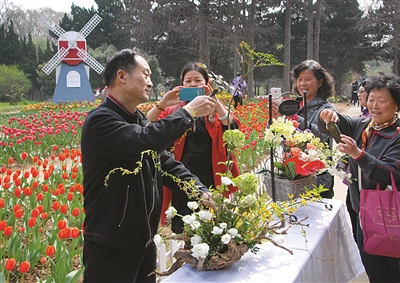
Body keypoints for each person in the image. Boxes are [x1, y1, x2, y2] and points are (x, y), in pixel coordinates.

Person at [81, 49, 216, 283]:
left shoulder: (136, 118)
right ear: (122, 76)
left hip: (142, 239)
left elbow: (165, 162)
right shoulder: (101, 120)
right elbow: (146, 139)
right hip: (110, 242)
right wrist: (188, 111)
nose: (151, 82)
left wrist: (199, 189)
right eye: (145, 74)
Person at [317, 74, 400, 283]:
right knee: (374, 270)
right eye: (371, 99)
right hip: (363, 214)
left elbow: (389, 172)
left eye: (382, 101)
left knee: (391, 273)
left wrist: (358, 155)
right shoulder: (364, 126)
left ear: (396, 104)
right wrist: (327, 116)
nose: (374, 106)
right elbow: (341, 123)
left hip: (391, 217)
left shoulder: (397, 134)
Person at [147, 62, 241, 233]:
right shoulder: (175, 111)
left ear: (207, 83)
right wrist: (163, 101)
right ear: (182, 85)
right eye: (188, 81)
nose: (193, 84)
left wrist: (214, 100)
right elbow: (148, 124)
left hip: (211, 174)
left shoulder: (214, 111)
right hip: (182, 176)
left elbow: (232, 127)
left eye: (198, 80)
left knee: (214, 228)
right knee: (185, 227)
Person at [271, 59, 336, 198]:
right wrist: (275, 119)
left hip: (317, 180)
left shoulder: (326, 108)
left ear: (320, 82)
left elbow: (322, 136)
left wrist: (292, 117)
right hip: (291, 177)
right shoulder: (292, 105)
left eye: (308, 79)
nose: (302, 84)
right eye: (299, 79)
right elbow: (276, 136)